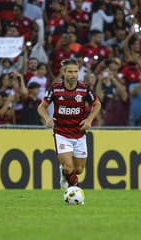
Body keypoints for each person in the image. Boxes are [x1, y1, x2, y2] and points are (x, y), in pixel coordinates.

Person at [37, 59, 101, 189]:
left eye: (76, 71)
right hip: (61, 133)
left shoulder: (84, 89)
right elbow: (41, 107)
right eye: (70, 71)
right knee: (68, 167)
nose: (73, 75)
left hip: (79, 133)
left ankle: (64, 172)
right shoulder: (55, 89)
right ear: (64, 72)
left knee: (79, 170)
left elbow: (97, 104)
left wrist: (89, 120)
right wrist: (47, 118)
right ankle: (76, 191)